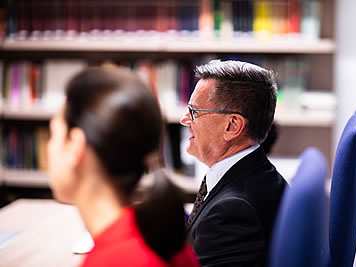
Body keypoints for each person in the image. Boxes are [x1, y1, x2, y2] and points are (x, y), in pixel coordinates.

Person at [47, 66, 200, 267]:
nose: (48, 147)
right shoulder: (159, 236)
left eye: (52, 134)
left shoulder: (113, 260)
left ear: (75, 146)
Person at [180, 60, 288, 267]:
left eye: (194, 112)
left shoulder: (231, 212)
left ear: (232, 126)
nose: (184, 120)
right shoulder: (258, 173)